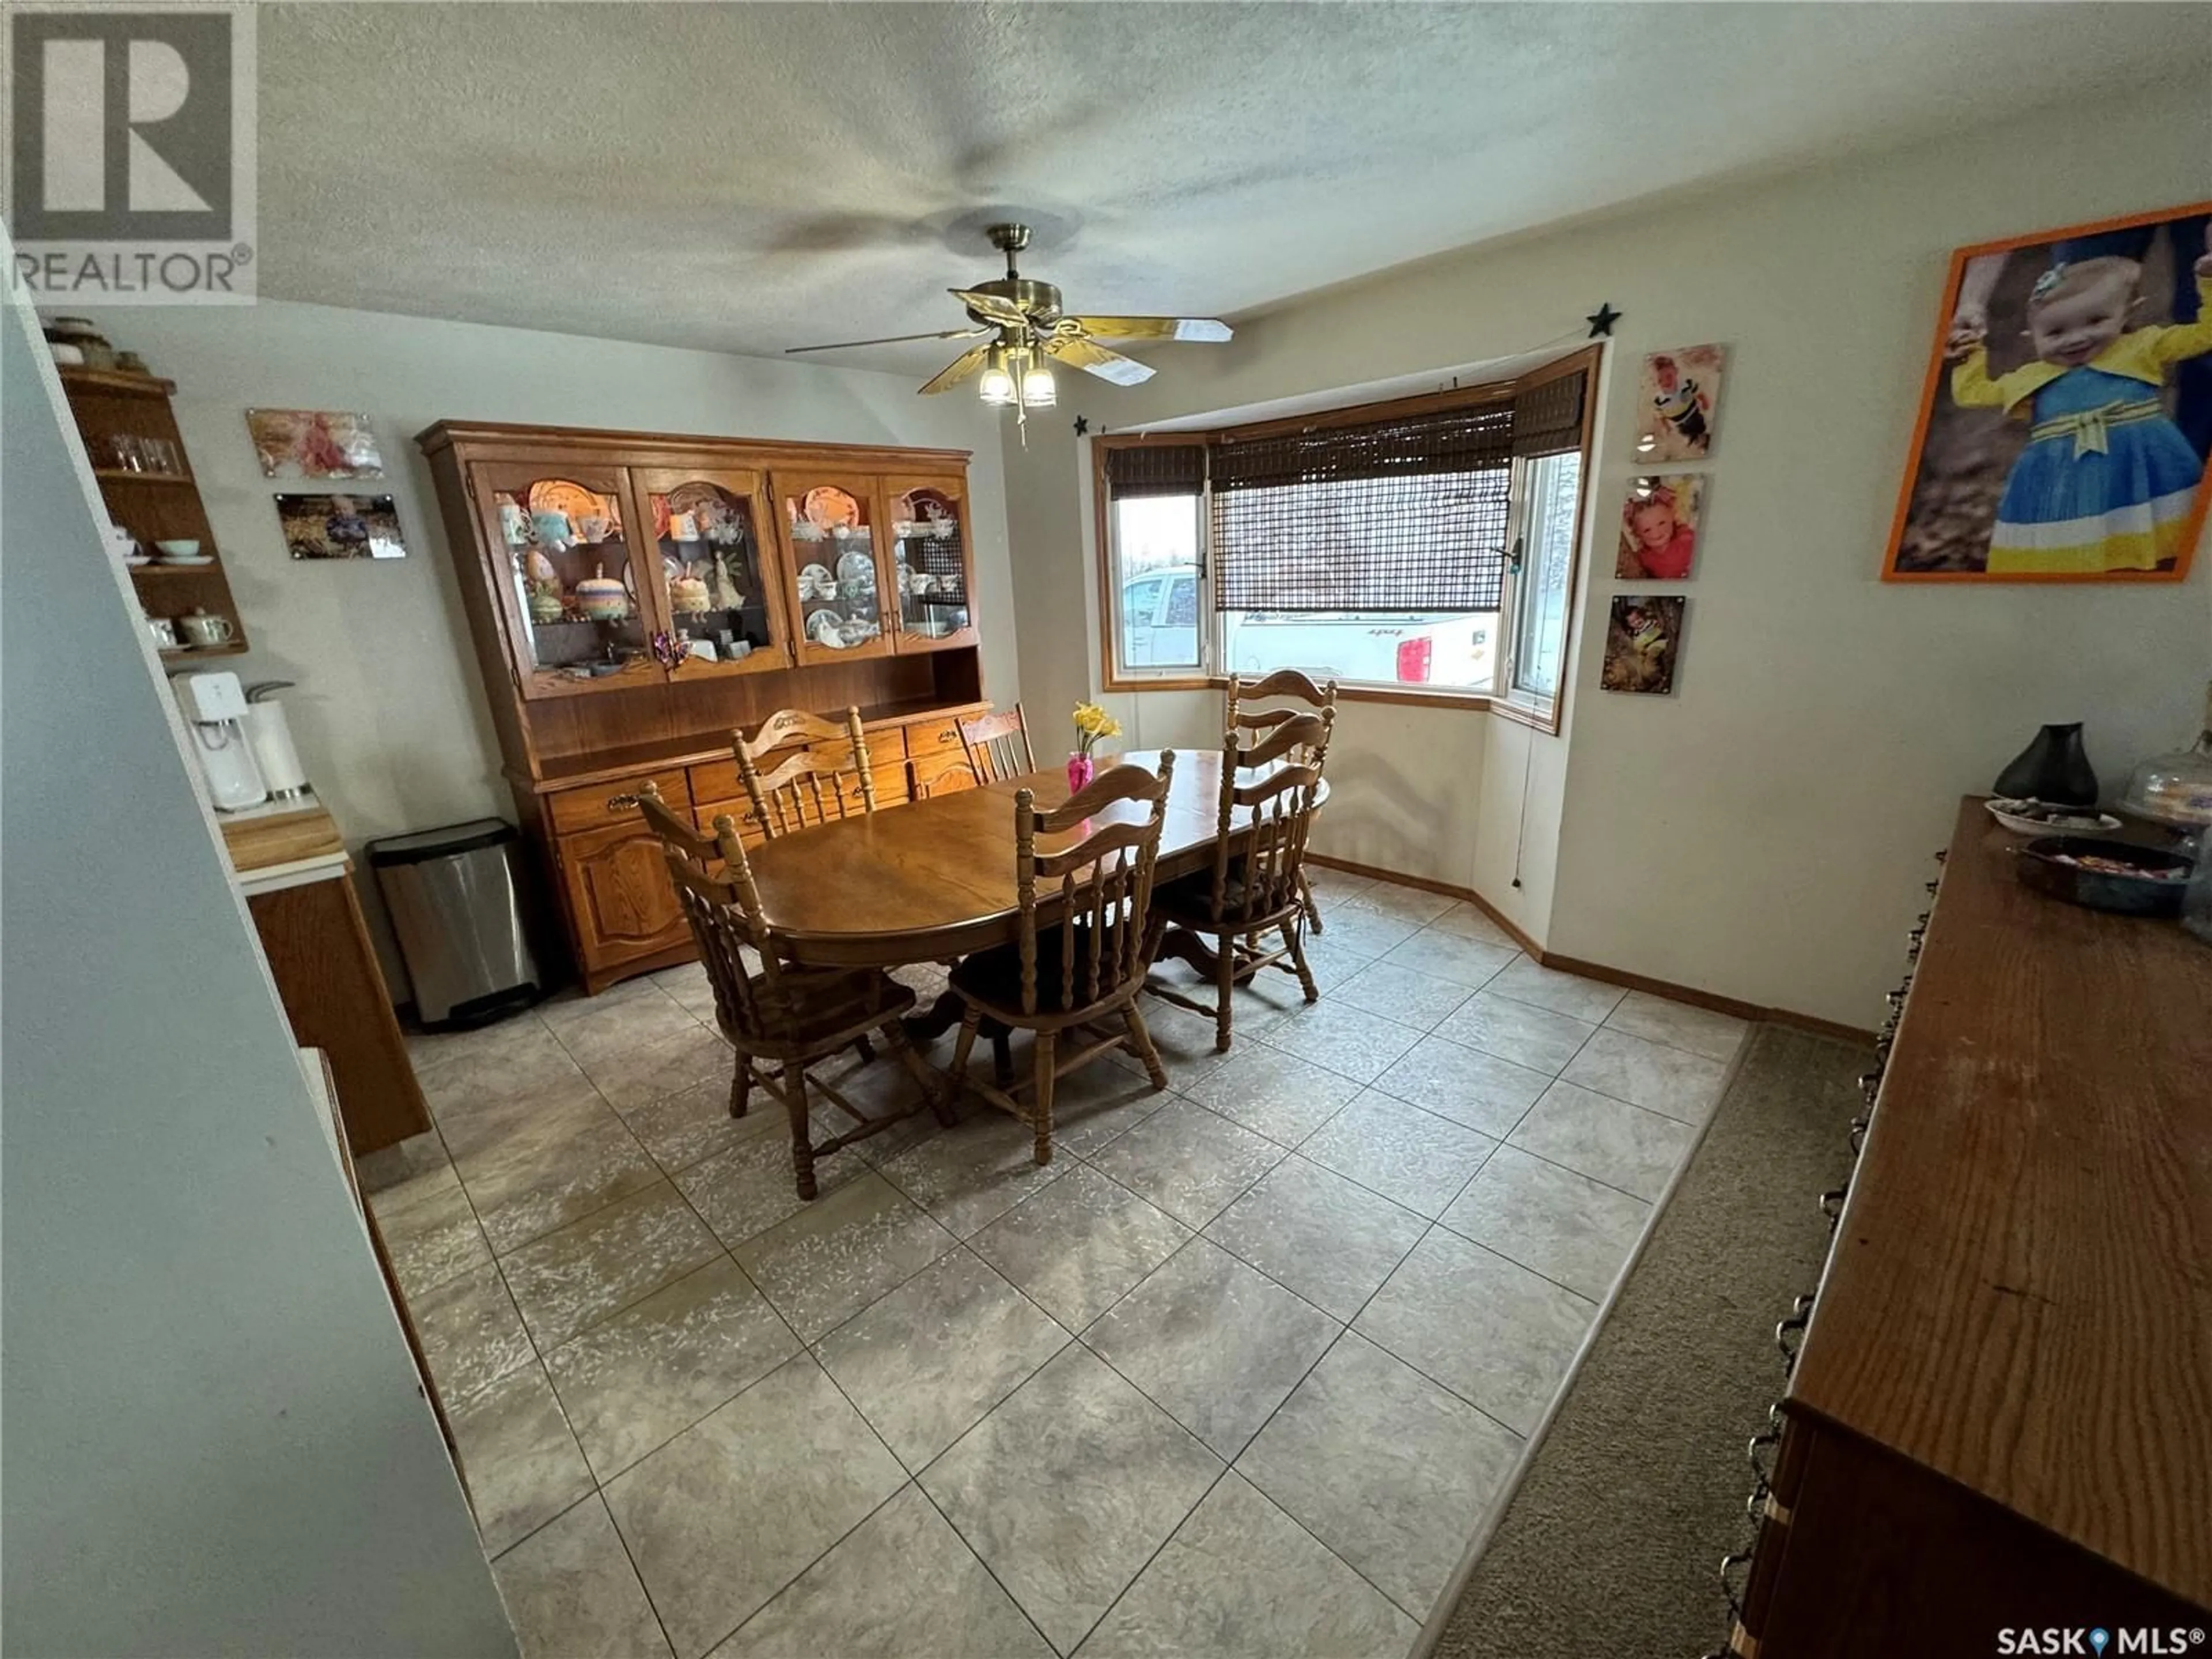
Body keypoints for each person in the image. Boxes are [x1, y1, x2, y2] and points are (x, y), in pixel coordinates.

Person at [1949, 252, 2212, 573]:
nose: (2076, 338)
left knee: (2169, 541)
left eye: (2096, 321)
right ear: (2031, 339)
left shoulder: (2141, 347)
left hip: (2141, 459)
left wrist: (2208, 282)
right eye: (2056, 333)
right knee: (2078, 549)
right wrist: (1969, 353)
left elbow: (2205, 335)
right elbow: (1971, 393)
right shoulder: (2033, 376)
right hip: (2065, 476)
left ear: (2128, 313)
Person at [1620, 483, 1697, 579]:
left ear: (1671, 518)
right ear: (1638, 534)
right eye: (1647, 530)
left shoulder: (1687, 538)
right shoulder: (1643, 558)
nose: (1656, 532)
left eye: (1662, 523)